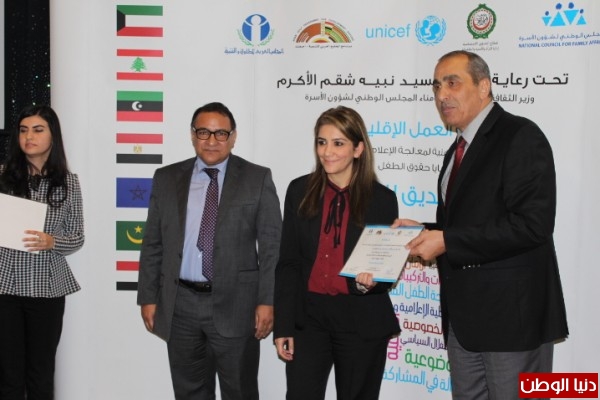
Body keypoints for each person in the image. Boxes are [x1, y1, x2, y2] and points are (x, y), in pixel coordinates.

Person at [396, 50, 568, 399]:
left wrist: (446, 241)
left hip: (513, 322)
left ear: (484, 86)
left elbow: (532, 225)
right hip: (464, 320)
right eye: (437, 86)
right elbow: (467, 223)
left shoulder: (520, 135)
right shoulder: (456, 150)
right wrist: (424, 231)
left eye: (453, 83)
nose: (442, 95)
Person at [137, 102, 282, 400]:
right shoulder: (166, 178)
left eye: (220, 133)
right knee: (189, 392)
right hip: (180, 306)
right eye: (203, 132)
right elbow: (153, 243)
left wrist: (267, 301)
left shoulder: (257, 178)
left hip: (237, 306)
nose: (212, 140)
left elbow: (272, 247)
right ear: (192, 135)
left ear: (233, 137)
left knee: (239, 391)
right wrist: (148, 297)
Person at [273, 106, 400, 400]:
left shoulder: (382, 199)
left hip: (360, 319)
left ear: (358, 149)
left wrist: (369, 283)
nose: (327, 152)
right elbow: (288, 262)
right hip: (309, 319)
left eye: (338, 143)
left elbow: (384, 270)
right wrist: (283, 325)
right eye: (322, 142)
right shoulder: (299, 190)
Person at [0, 104, 85, 399]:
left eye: (38, 130)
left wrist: (52, 242)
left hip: (46, 289)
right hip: (5, 287)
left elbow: (77, 237)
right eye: (23, 130)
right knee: (8, 376)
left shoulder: (68, 182)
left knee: (41, 374)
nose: (29, 137)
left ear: (53, 135)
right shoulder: (2, 176)